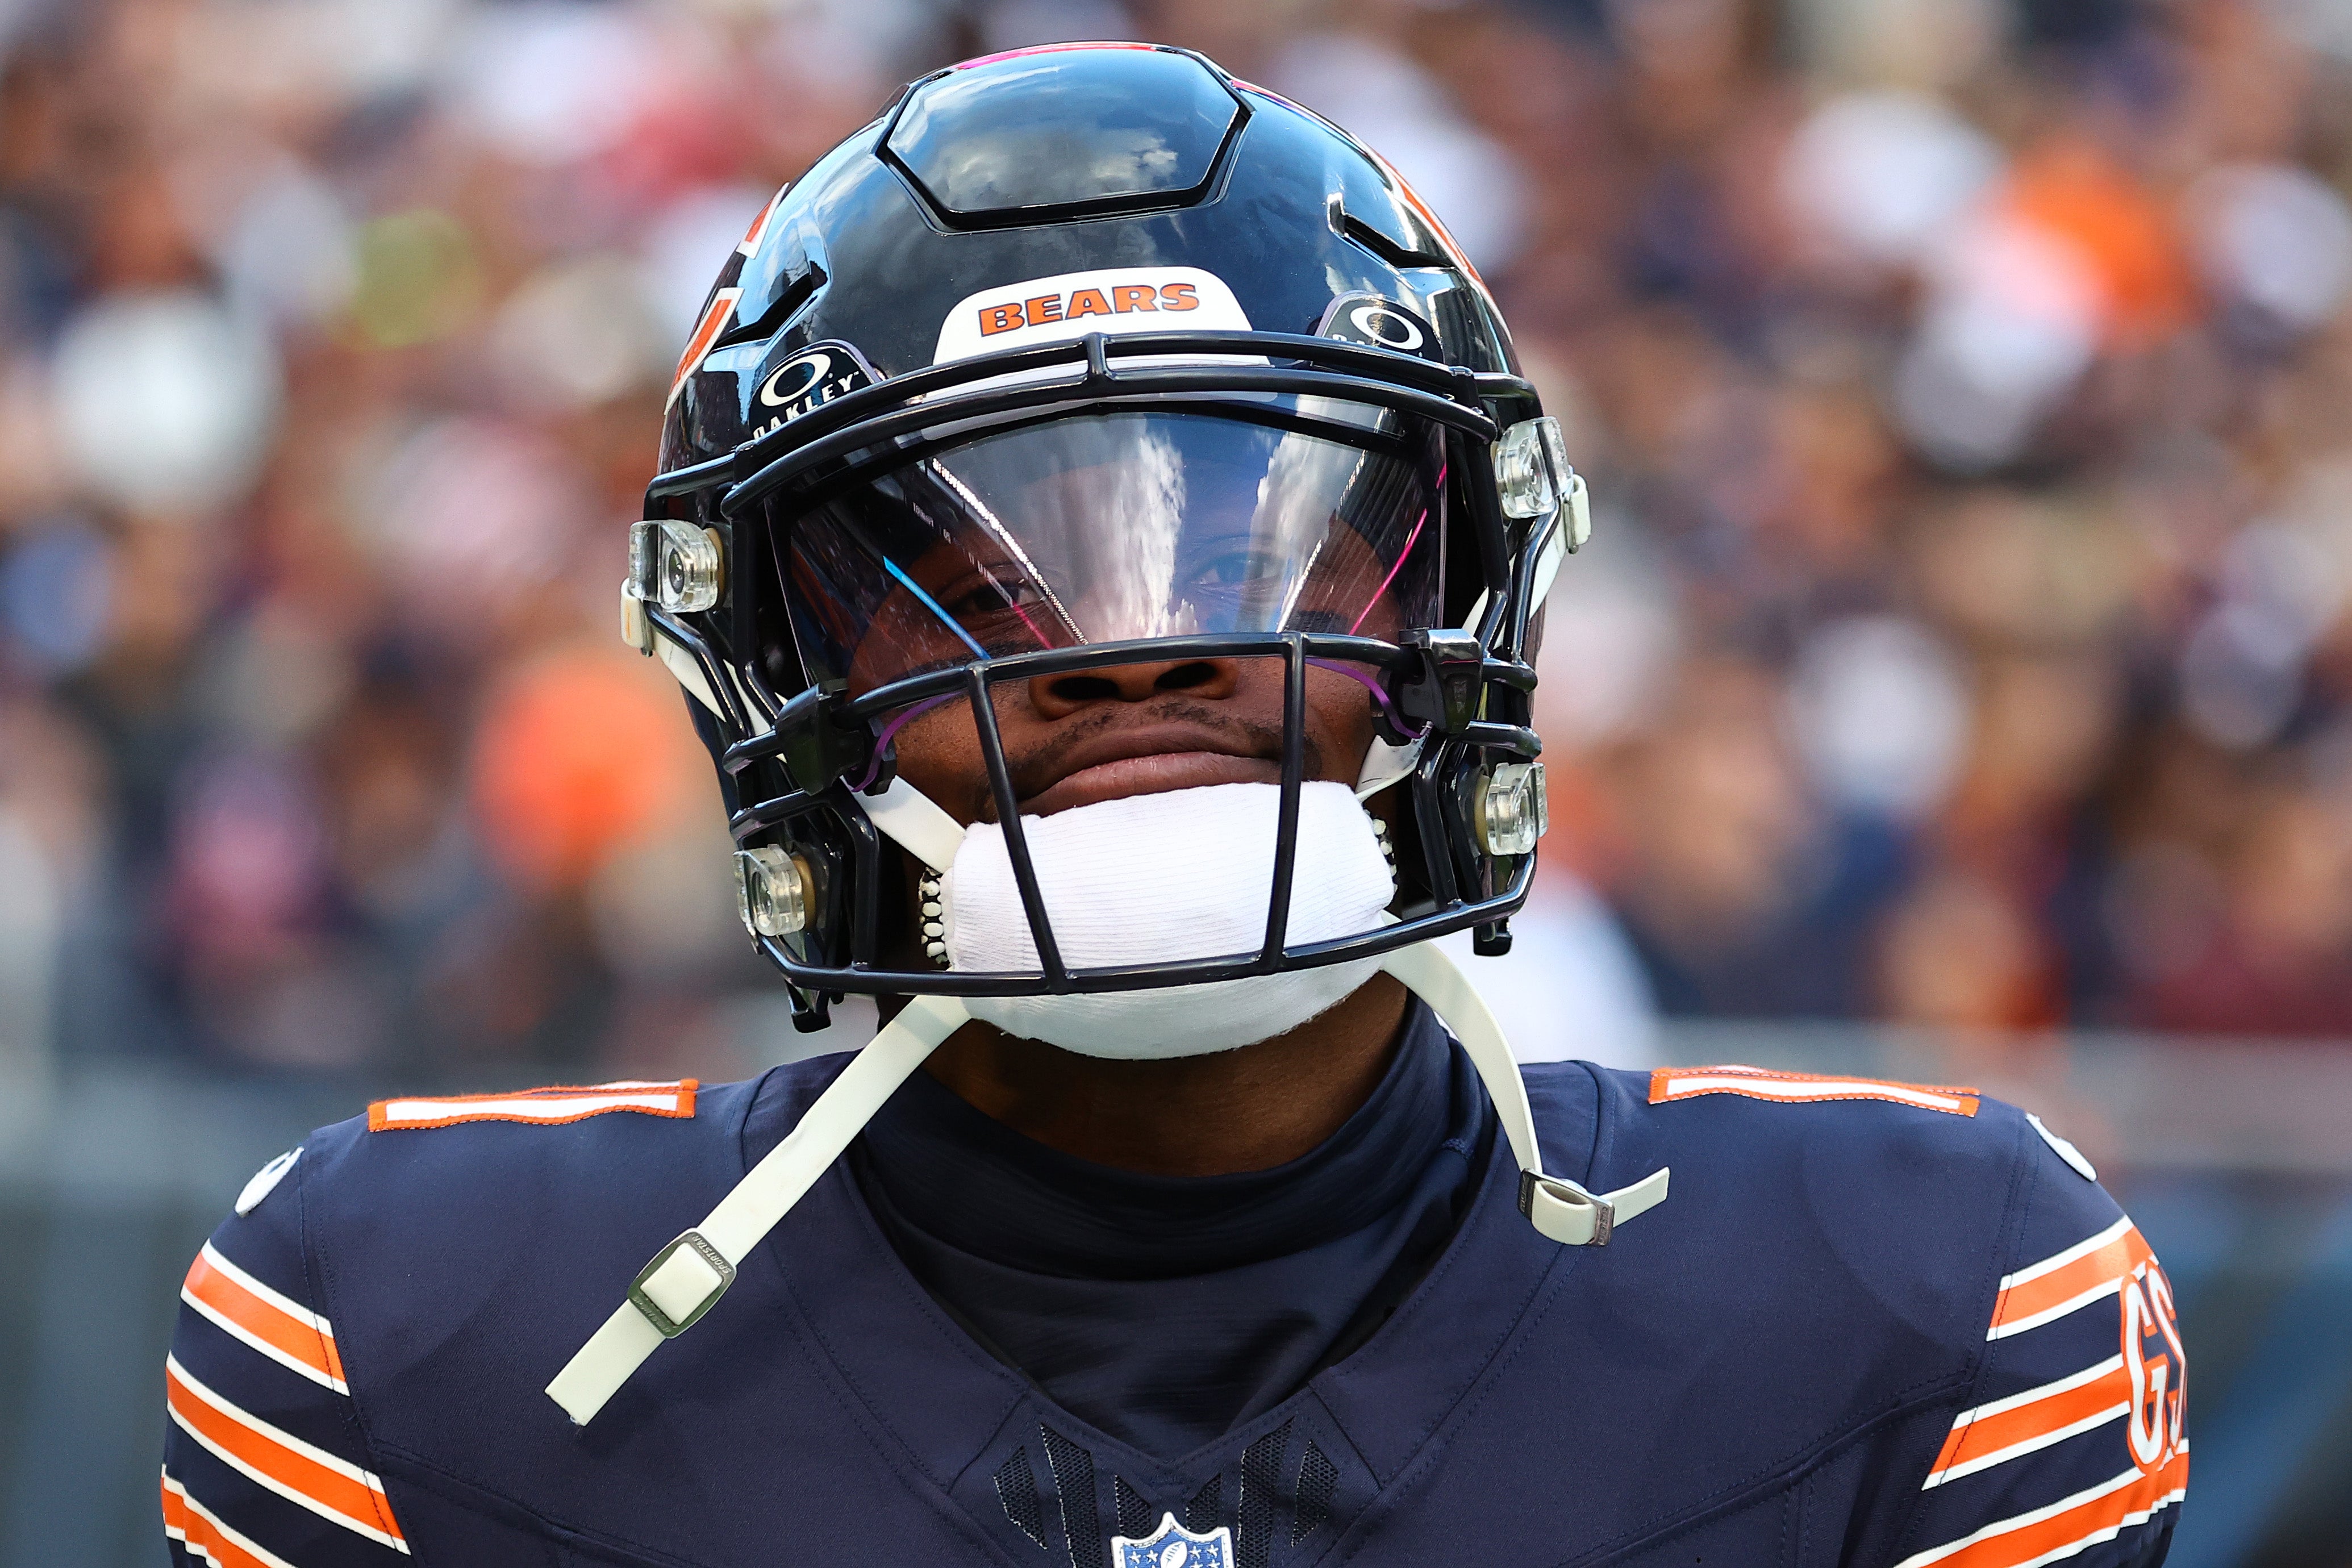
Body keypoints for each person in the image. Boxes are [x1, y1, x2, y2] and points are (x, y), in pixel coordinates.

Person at [159, 44, 2186, 1568]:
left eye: (1263, 533)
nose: (1132, 650)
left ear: (1466, 589)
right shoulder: (393, 1331)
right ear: (779, 682)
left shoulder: (1931, 1305)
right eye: (959, 574)